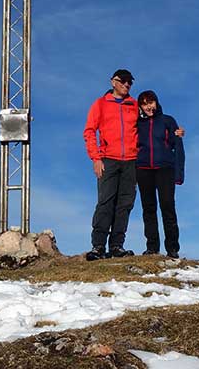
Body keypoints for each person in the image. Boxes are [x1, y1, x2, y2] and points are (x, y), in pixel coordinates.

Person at [82, 69, 140, 260]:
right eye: (122, 81)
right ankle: (98, 246)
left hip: (131, 161)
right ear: (113, 82)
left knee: (125, 204)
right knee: (105, 202)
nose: (126, 85)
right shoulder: (100, 104)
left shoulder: (134, 105)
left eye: (129, 82)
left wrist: (172, 131)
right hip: (108, 159)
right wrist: (96, 158)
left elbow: (151, 122)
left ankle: (116, 246)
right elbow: (89, 131)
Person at [136, 90, 184, 259]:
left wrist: (179, 174)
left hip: (165, 169)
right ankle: (152, 248)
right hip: (143, 169)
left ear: (156, 102)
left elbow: (178, 147)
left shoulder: (167, 121)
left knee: (167, 207)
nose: (148, 106)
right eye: (144, 103)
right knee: (148, 209)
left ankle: (172, 248)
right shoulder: (137, 124)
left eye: (151, 102)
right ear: (140, 106)